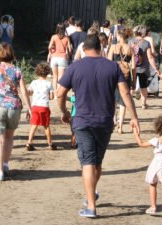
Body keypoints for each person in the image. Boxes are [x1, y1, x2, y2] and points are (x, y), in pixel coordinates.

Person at [57, 35, 140, 218]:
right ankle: (91, 194)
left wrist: (63, 111)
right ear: (100, 48)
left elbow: (60, 93)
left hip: (82, 121)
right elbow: (125, 92)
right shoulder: (112, 66)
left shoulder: (75, 66)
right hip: (104, 121)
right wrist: (134, 117)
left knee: (87, 162)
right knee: (97, 162)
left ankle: (91, 207)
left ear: (84, 49)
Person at [0, 43, 32, 181]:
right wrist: (29, 107)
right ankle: (5, 164)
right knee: (9, 137)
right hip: (14, 107)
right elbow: (23, 90)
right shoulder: (17, 70)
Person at [133, 114, 162, 222]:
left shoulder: (156, 141)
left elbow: (141, 144)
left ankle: (153, 206)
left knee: (153, 184)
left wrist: (136, 133)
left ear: (158, 127)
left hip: (156, 165)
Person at [107, 28, 136, 134]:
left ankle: (113, 121)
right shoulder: (130, 49)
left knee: (112, 99)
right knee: (123, 101)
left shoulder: (113, 47)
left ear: (119, 36)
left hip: (113, 75)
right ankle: (120, 126)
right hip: (126, 77)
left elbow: (108, 63)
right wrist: (134, 81)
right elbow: (133, 67)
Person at [26, 63, 56, 151]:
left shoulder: (34, 82)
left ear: (37, 72)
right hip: (44, 107)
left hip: (35, 106)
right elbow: (51, 97)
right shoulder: (49, 84)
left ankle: (29, 142)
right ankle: (50, 143)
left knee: (34, 125)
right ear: (47, 73)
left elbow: (29, 92)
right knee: (46, 125)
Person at [131, 25, 160, 109]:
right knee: (143, 87)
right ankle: (143, 104)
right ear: (142, 33)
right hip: (143, 69)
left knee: (132, 86)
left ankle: (128, 103)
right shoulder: (146, 43)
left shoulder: (130, 42)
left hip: (133, 68)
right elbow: (150, 57)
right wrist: (156, 68)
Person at [48, 22, 72, 91]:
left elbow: (49, 47)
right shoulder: (67, 38)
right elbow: (70, 50)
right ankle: (59, 93)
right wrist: (68, 53)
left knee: (54, 77)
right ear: (64, 29)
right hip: (62, 58)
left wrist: (52, 52)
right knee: (60, 77)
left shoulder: (54, 37)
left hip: (54, 58)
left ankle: (54, 93)